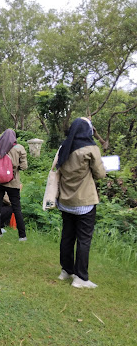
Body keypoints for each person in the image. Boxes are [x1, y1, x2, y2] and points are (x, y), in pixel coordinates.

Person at [56, 117, 106, 289]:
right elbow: (100, 174)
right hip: (85, 202)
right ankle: (81, 278)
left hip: (65, 200)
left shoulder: (65, 146)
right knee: (84, 240)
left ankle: (66, 270)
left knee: (67, 236)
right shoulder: (91, 148)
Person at [0, 129, 27, 240]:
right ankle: (22, 236)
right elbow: (24, 167)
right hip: (13, 182)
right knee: (16, 208)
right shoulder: (19, 148)